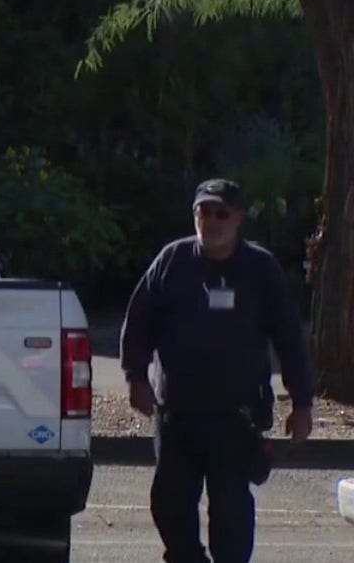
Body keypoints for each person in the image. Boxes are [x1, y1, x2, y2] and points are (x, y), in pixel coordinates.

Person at [119, 178, 316, 563]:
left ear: (238, 218)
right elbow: (138, 320)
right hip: (177, 413)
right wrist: (135, 377)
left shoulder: (261, 269)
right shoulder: (173, 261)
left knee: (231, 512)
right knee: (169, 503)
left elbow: (290, 338)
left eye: (220, 213)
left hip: (235, 416)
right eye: (203, 212)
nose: (211, 221)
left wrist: (303, 402)